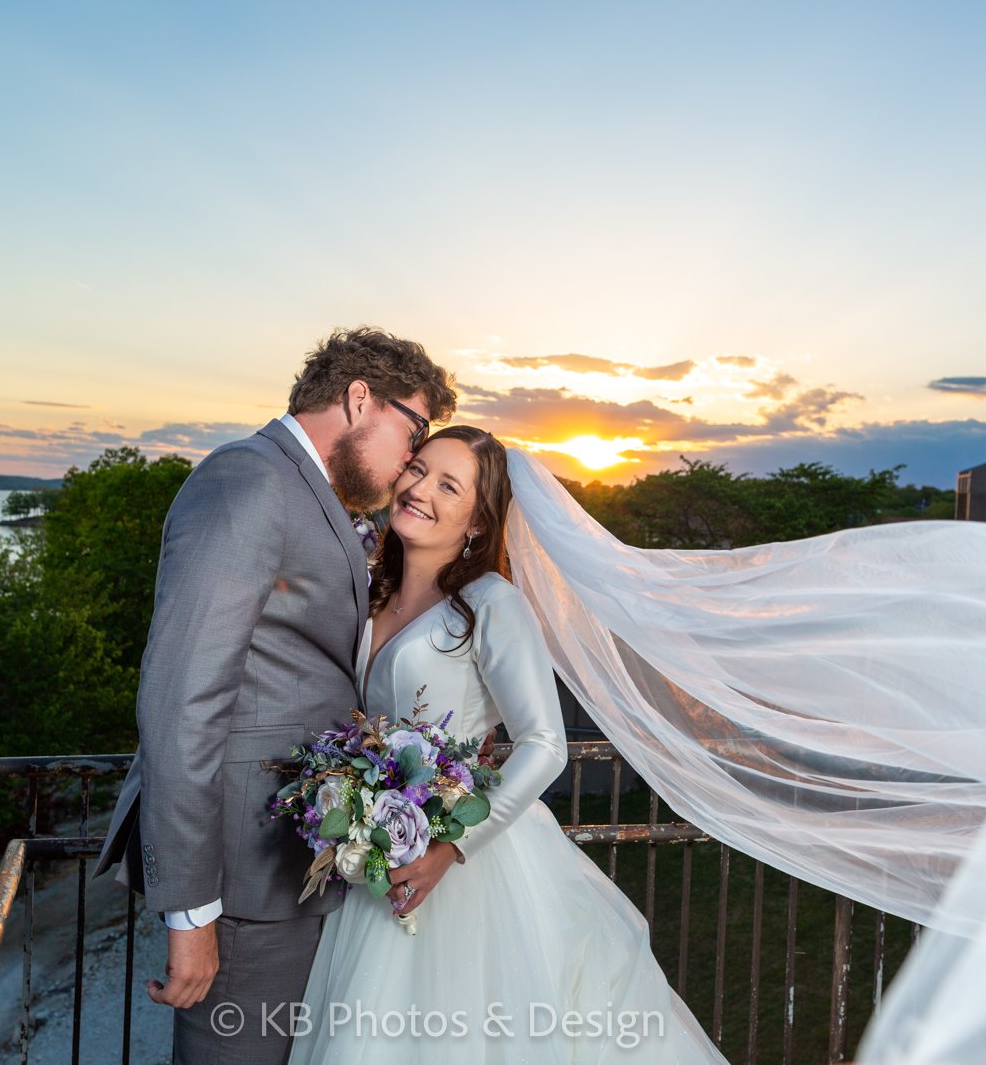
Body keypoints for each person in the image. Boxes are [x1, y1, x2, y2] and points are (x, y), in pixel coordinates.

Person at [288, 426, 724, 1063]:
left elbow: (545, 743)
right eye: (417, 470)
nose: (419, 490)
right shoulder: (370, 592)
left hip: (469, 861)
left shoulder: (491, 605)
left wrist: (449, 845)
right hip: (378, 856)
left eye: (449, 485)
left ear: (477, 521)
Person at [92, 326, 456, 1065]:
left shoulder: (306, 493)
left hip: (293, 862)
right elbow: (184, 699)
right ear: (359, 398)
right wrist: (191, 910)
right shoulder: (249, 479)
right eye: (413, 429)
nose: (413, 458)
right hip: (240, 881)